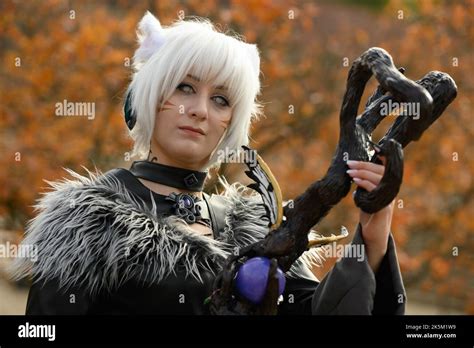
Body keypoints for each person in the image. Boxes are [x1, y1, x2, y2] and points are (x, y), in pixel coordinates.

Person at [10, 11, 405, 315]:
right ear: (149, 96)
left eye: (220, 99)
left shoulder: (258, 227)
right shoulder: (86, 222)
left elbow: (318, 311)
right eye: (185, 87)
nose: (199, 110)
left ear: (231, 122)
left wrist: (373, 228)